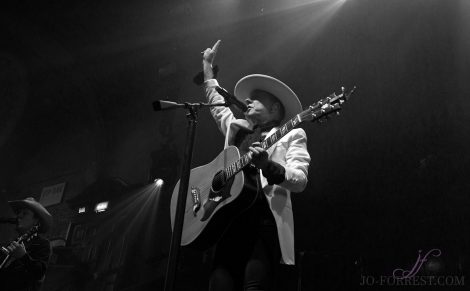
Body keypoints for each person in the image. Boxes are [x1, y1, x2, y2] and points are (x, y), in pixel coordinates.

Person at [201, 40, 311, 291]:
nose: (247, 102)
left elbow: (300, 180)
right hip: (228, 225)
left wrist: (269, 165)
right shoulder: (238, 129)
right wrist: (207, 67)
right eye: (248, 99)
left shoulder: (292, 135)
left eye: (256, 99)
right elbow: (217, 105)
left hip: (262, 225)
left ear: (274, 109)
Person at [0, 197, 53, 291]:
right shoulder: (15, 241)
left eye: (25, 213)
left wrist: (23, 256)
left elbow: (39, 273)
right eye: (19, 213)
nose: (19, 216)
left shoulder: (42, 243)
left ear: (36, 221)